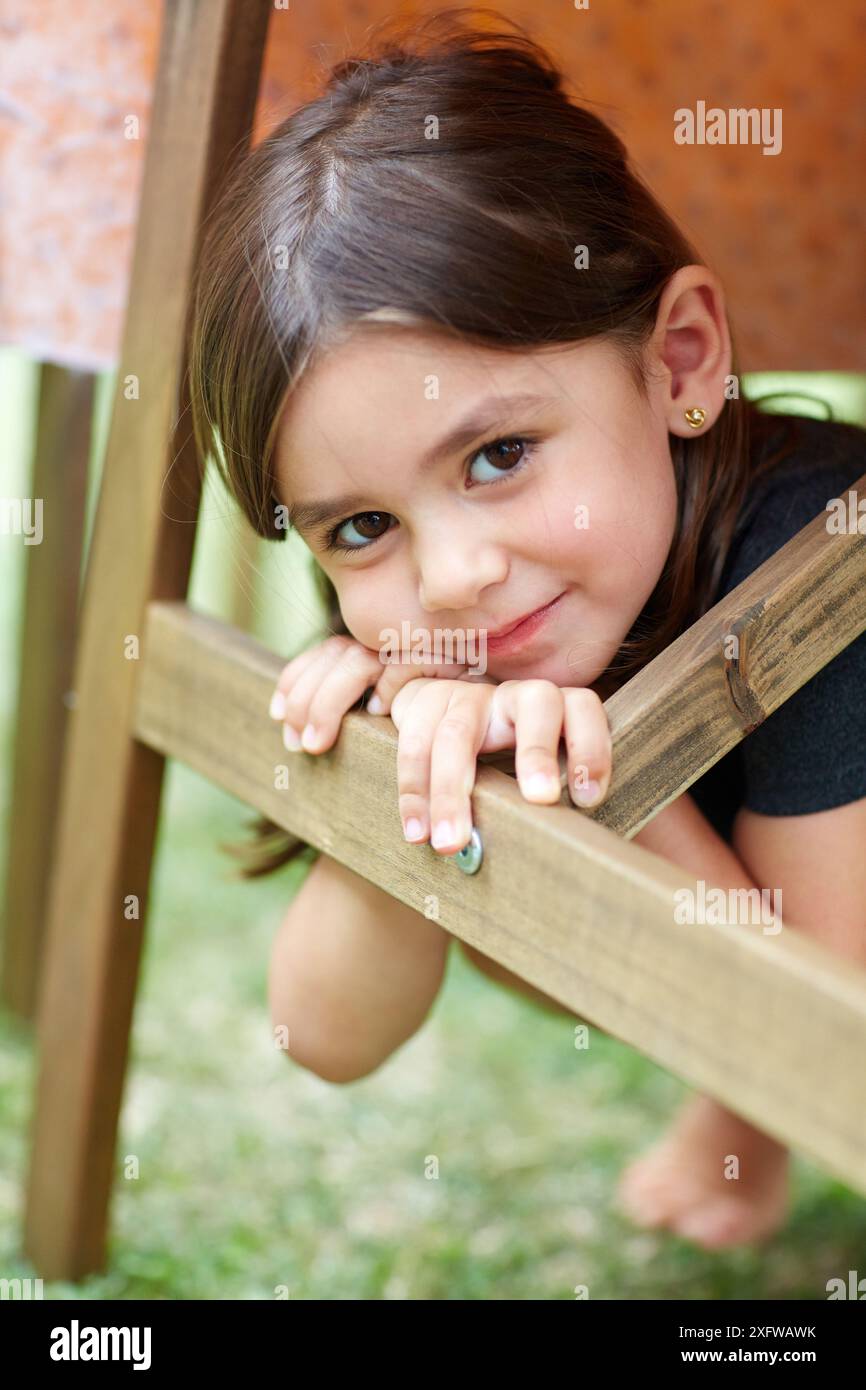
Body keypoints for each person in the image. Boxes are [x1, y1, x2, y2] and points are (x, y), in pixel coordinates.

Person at [186, 9, 866, 1250]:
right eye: (359, 528)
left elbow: (828, 1050)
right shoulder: (433, 635)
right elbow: (324, 1035)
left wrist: (586, 767)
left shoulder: (830, 569)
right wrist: (413, 760)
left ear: (678, 360)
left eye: (498, 455)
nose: (451, 576)